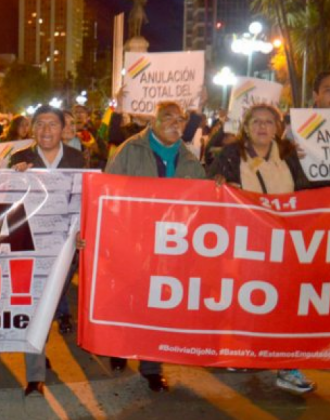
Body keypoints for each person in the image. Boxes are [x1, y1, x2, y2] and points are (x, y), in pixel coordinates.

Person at [208, 103, 315, 394]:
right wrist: (219, 183)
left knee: (287, 305)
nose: (263, 127)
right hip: (246, 242)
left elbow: (306, 192)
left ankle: (288, 366)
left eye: (269, 122)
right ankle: (243, 353)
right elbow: (210, 186)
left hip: (285, 242)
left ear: (277, 129)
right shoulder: (232, 154)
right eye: (256, 121)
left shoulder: (290, 155)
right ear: (246, 126)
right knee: (249, 301)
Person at [104, 100, 206, 392]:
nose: (176, 123)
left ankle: (151, 366)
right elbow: (109, 192)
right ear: (154, 121)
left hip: (170, 245)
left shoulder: (189, 160)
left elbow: (202, 203)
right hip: (132, 240)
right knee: (127, 298)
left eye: (181, 119)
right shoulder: (129, 150)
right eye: (168, 118)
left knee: (156, 304)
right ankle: (119, 350)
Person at [10, 105, 86, 396]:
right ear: (32, 128)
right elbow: (5, 201)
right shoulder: (20, 159)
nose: (45, 131)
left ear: (63, 127)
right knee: (35, 307)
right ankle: (35, 375)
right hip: (31, 247)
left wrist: (84, 232)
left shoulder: (78, 159)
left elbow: (87, 199)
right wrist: (13, 177)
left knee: (51, 306)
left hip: (66, 249)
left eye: (52, 124)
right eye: (39, 124)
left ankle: (39, 345)